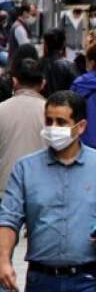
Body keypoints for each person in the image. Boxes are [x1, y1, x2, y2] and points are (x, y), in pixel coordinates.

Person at [0, 91, 96, 292]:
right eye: (49, 121)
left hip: (88, 280)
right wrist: (3, 261)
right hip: (41, 282)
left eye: (61, 122)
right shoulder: (25, 169)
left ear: (80, 126)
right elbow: (8, 219)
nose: (53, 128)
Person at [0, 58, 46, 197]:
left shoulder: (1, 109)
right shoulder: (53, 113)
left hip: (5, 189)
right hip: (41, 191)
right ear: (43, 84)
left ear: (14, 82)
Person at [41, 28, 80, 97]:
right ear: (63, 44)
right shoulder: (70, 66)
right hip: (64, 104)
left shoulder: (37, 64)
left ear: (45, 44)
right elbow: (77, 88)